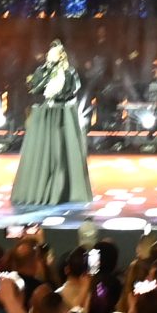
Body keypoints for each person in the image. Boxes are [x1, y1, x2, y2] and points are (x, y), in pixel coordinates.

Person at [12, 41, 92, 211]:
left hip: (62, 114)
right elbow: (33, 88)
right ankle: (39, 188)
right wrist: (44, 84)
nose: (50, 55)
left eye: (54, 52)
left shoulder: (68, 72)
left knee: (60, 153)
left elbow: (72, 89)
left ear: (61, 55)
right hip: (46, 113)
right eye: (49, 52)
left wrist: (59, 88)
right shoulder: (43, 71)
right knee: (42, 151)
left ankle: (63, 190)